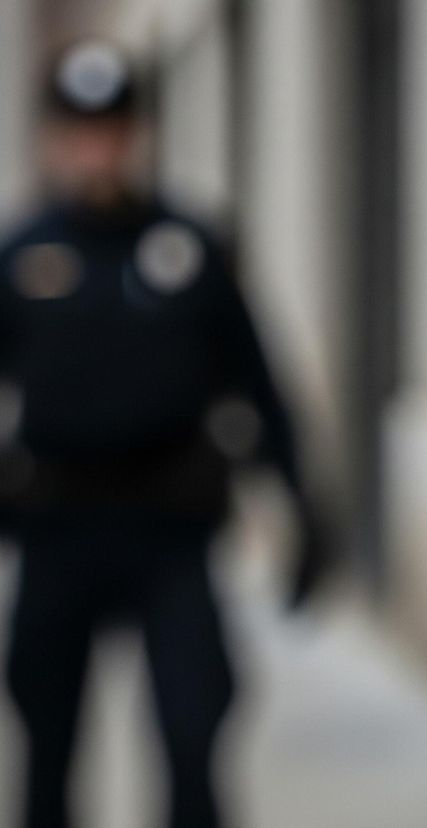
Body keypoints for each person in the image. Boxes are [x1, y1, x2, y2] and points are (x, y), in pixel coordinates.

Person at [0, 41, 322, 828]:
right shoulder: (24, 251)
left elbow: (259, 381)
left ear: (136, 134)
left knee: (192, 735)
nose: (96, 148)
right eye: (80, 130)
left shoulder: (190, 246)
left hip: (170, 530)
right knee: (46, 746)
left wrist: (305, 506)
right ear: (55, 138)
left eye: (111, 129)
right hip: (58, 527)